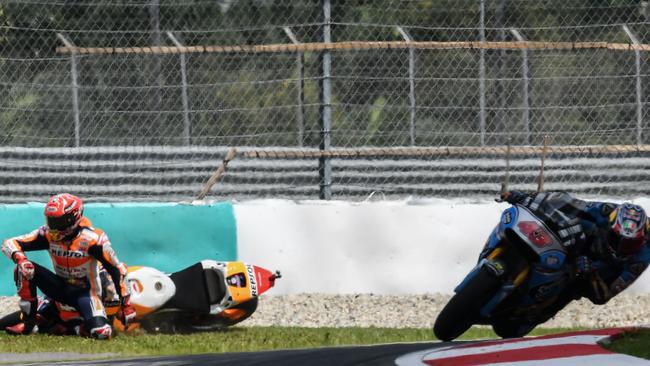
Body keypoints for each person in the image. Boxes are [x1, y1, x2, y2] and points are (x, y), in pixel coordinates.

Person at [1, 193, 135, 339]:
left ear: (74, 218)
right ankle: (29, 321)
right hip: (59, 289)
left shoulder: (94, 239)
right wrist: (21, 259)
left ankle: (71, 326)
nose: (54, 227)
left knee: (101, 333)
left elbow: (117, 270)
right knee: (25, 269)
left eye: (58, 221)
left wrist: (126, 305)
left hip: (86, 293)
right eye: (51, 221)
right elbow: (9, 243)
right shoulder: (47, 234)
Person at [499, 190, 650, 305]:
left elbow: (604, 296)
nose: (621, 247)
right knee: (565, 214)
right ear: (610, 225)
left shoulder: (642, 257)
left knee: (577, 288)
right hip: (582, 241)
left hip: (596, 267)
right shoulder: (606, 211)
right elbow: (569, 203)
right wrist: (524, 196)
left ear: (642, 239)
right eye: (617, 239)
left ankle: (539, 306)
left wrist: (591, 274)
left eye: (631, 244)